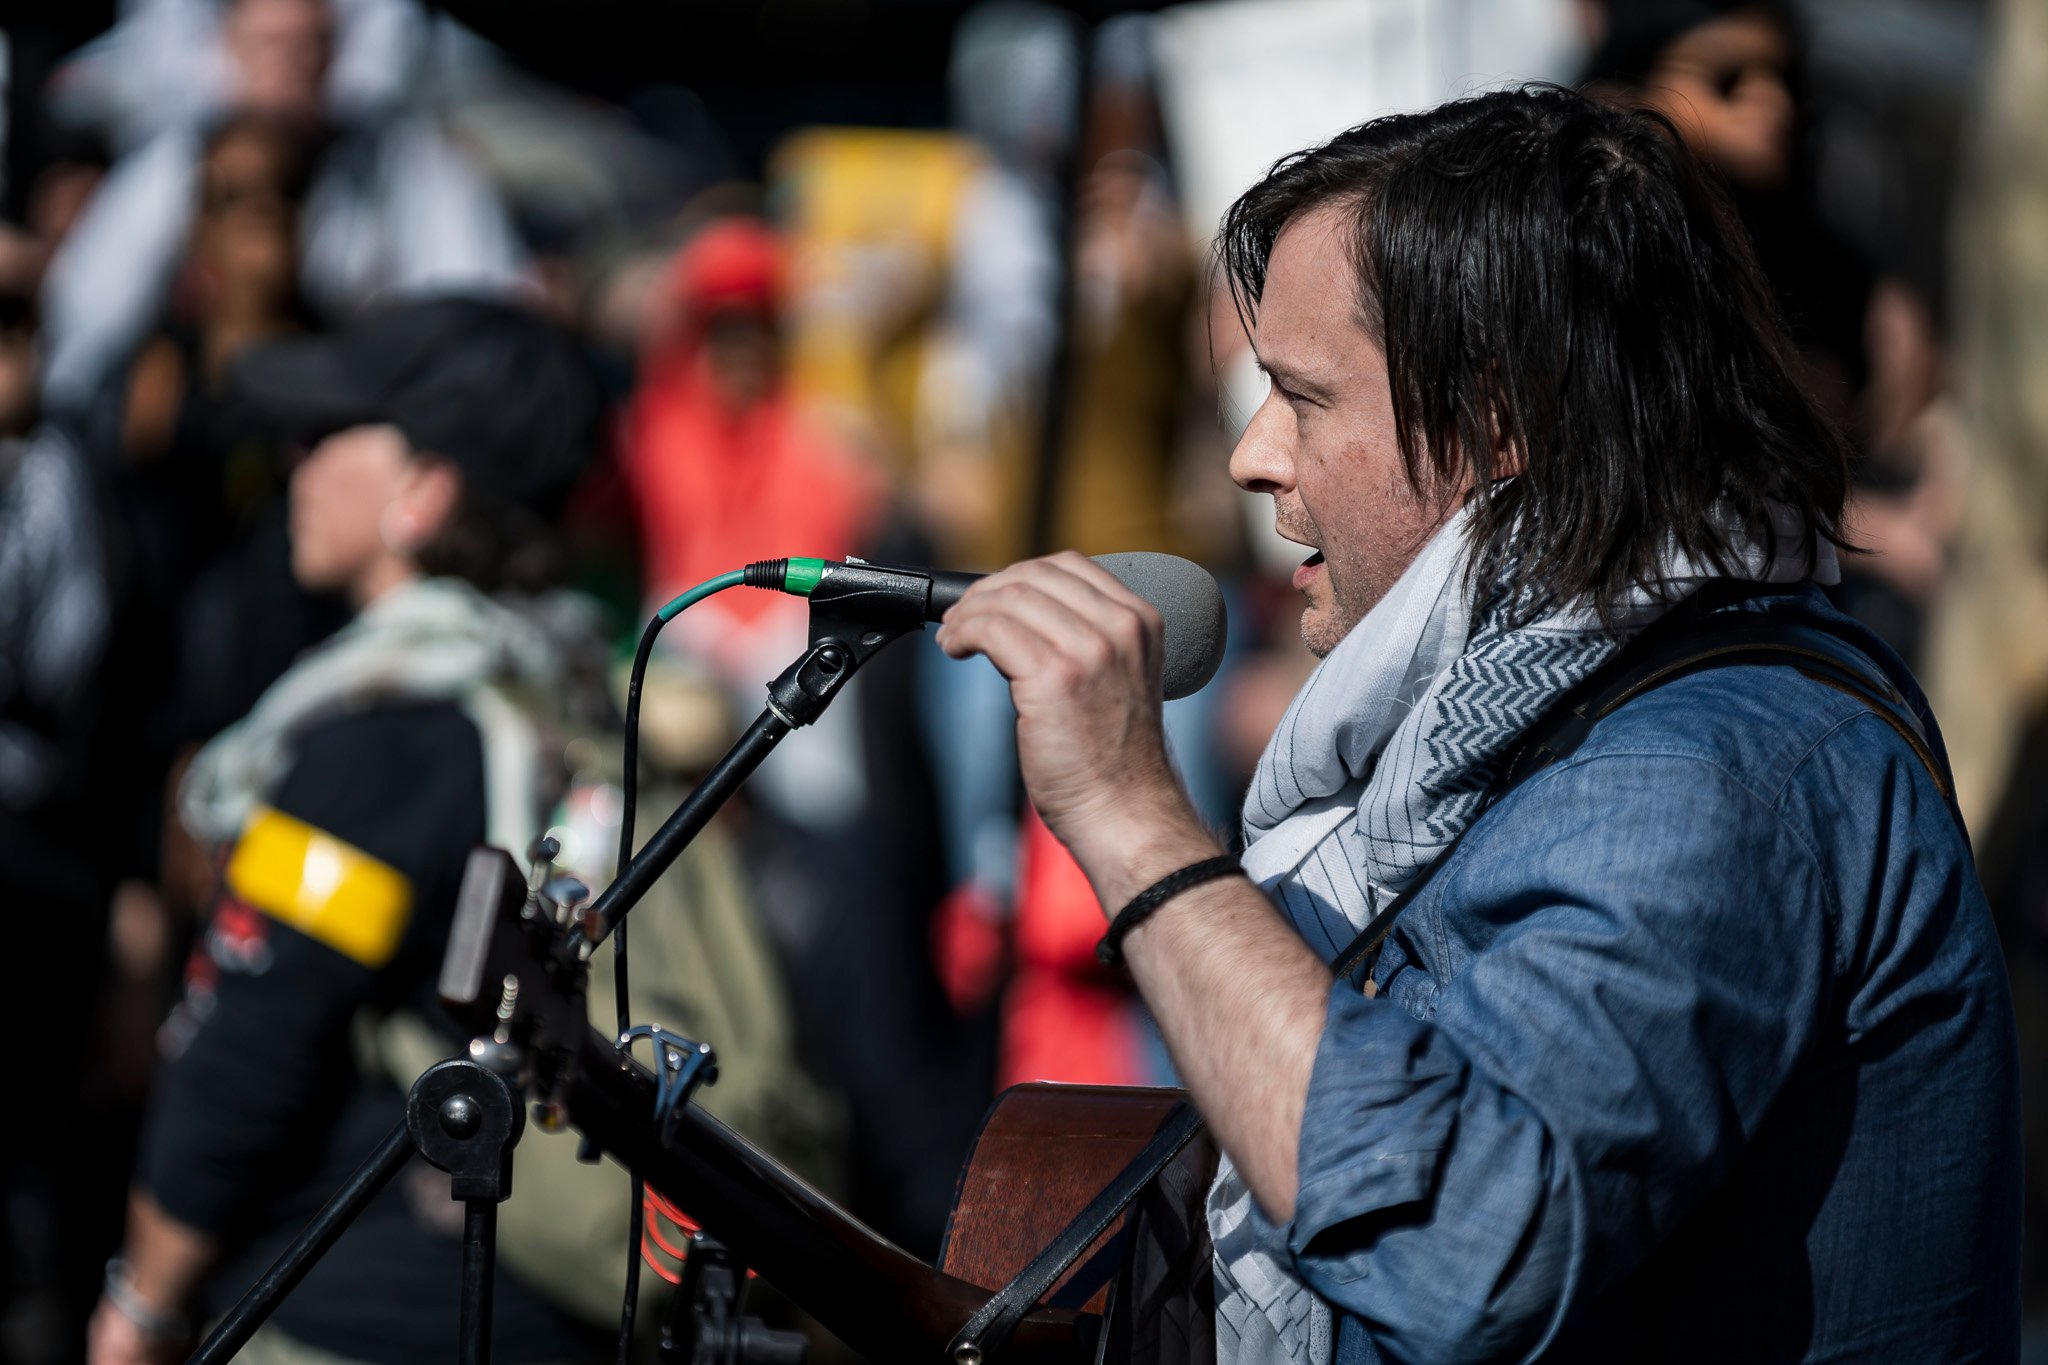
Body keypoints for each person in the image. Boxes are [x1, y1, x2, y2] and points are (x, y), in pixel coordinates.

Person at [936, 86, 2021, 1361]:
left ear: (1498, 416)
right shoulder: (1542, 719)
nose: (1250, 454)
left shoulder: (1703, 773)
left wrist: (1130, 818)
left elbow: (1461, 1248)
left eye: (1303, 395)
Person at [88, 298, 606, 1365]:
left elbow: (255, 1046)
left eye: (326, 437)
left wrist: (139, 1308)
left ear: (423, 491)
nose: (296, 463)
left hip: (355, 1317)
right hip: (537, 1302)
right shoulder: (575, 690)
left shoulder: (386, 742)